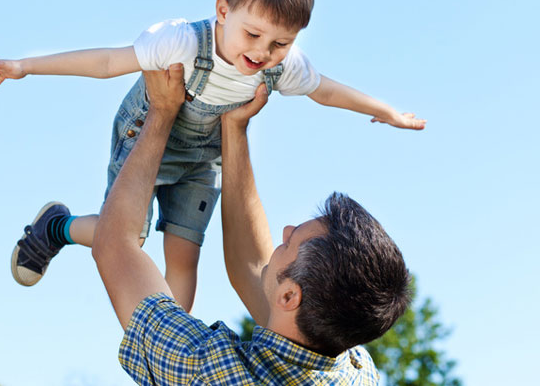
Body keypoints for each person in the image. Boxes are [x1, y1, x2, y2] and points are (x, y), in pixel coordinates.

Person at [0, 0, 425, 312]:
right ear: (223, 11)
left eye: (281, 43)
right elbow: (107, 62)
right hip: (148, 133)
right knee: (128, 235)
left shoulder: (282, 65)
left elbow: (325, 90)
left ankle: (171, 352)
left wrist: (384, 111)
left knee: (185, 253)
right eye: (253, 34)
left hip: (205, 158)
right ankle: (57, 228)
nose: (263, 52)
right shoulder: (181, 41)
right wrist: (23, 66)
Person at [91, 64, 410, 385]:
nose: (284, 232)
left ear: (289, 297)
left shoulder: (213, 374)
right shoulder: (353, 368)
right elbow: (252, 267)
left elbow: (115, 245)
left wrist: (160, 113)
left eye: (291, 243)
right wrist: (235, 127)